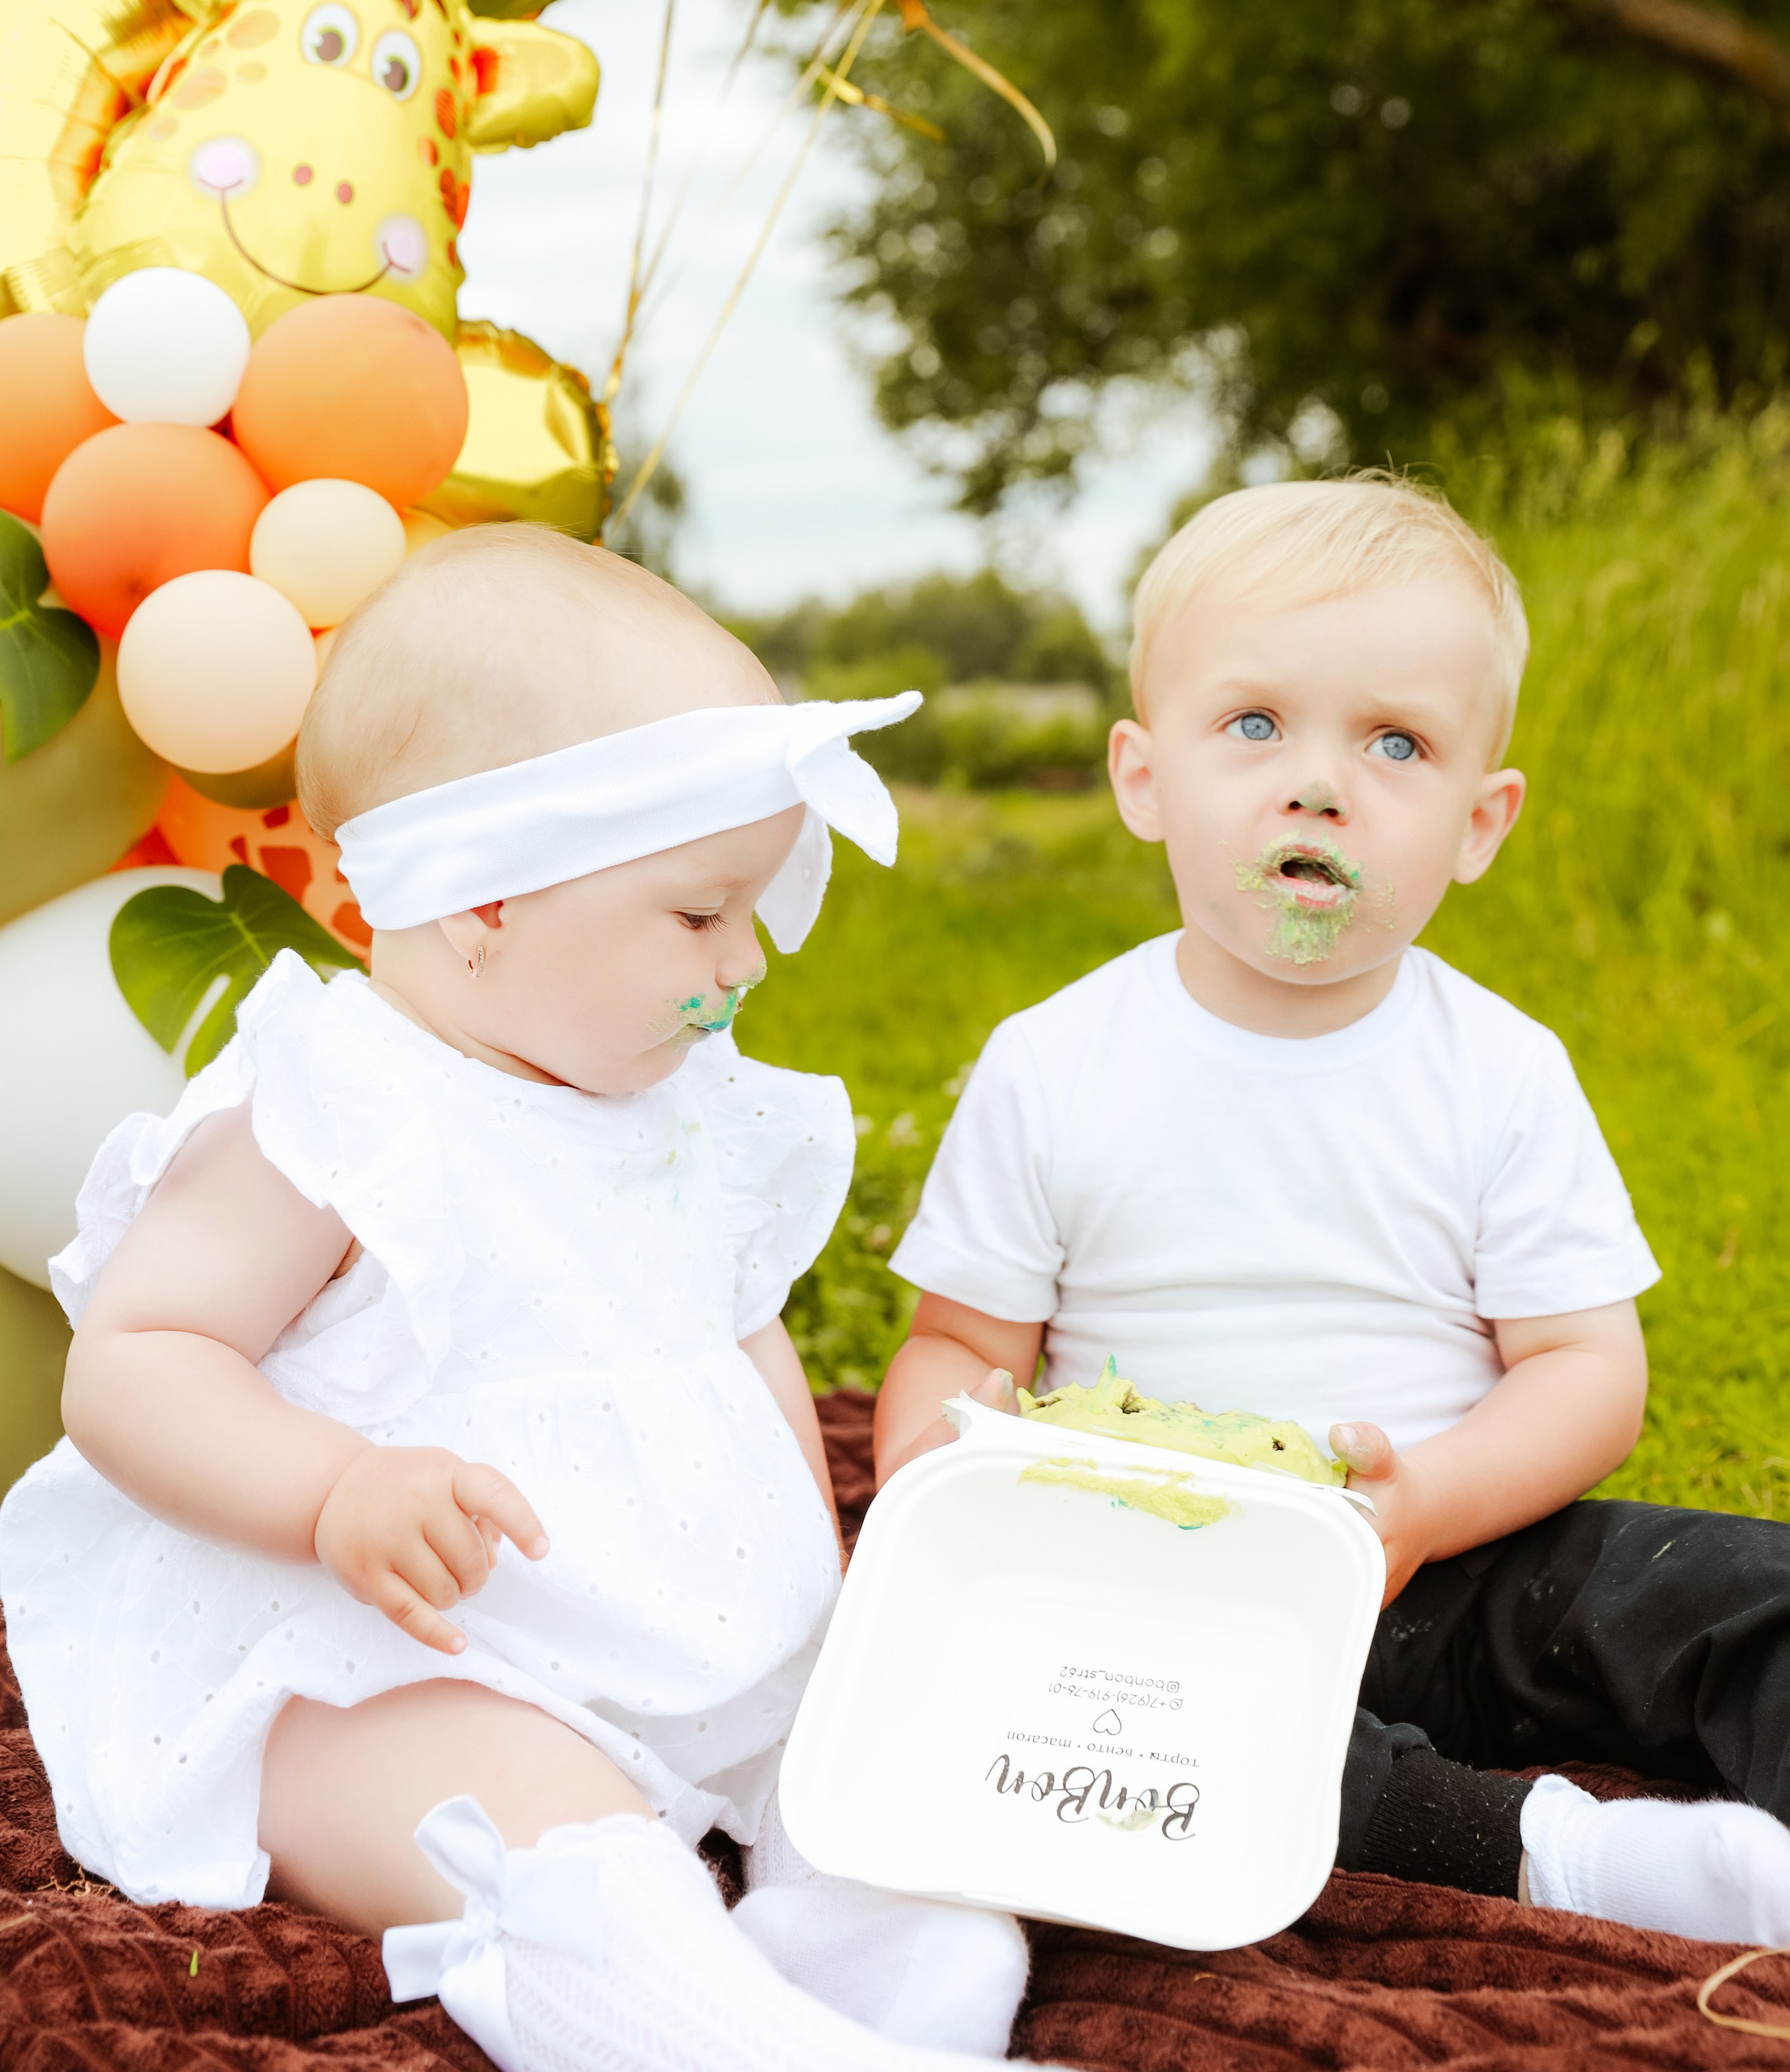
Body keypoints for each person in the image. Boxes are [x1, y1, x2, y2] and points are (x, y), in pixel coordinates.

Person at [0, 528, 1047, 2072]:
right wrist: (331, 1490)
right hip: (395, 1650)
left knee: (899, 1834)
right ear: (480, 902)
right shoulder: (342, 1109)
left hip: (686, 1636)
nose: (743, 962)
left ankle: (898, 2009)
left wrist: (819, 1596)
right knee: (555, 1854)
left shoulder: (679, 1104)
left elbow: (733, 1334)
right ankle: (720, 2037)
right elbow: (141, 1359)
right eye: (699, 915)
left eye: (748, 909)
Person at [876, 472, 1790, 1943]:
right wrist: (945, 1459)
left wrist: (1422, 1504)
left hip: (1451, 1557)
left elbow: (1583, 1371)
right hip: (1160, 1581)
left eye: (1394, 741)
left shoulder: (1494, 1070)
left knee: (1735, 1591)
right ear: (1140, 778)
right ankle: (1556, 1859)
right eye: (1253, 724)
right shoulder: (1054, 1063)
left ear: (1477, 822)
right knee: (1105, 1733)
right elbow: (955, 1341)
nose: (1317, 782)